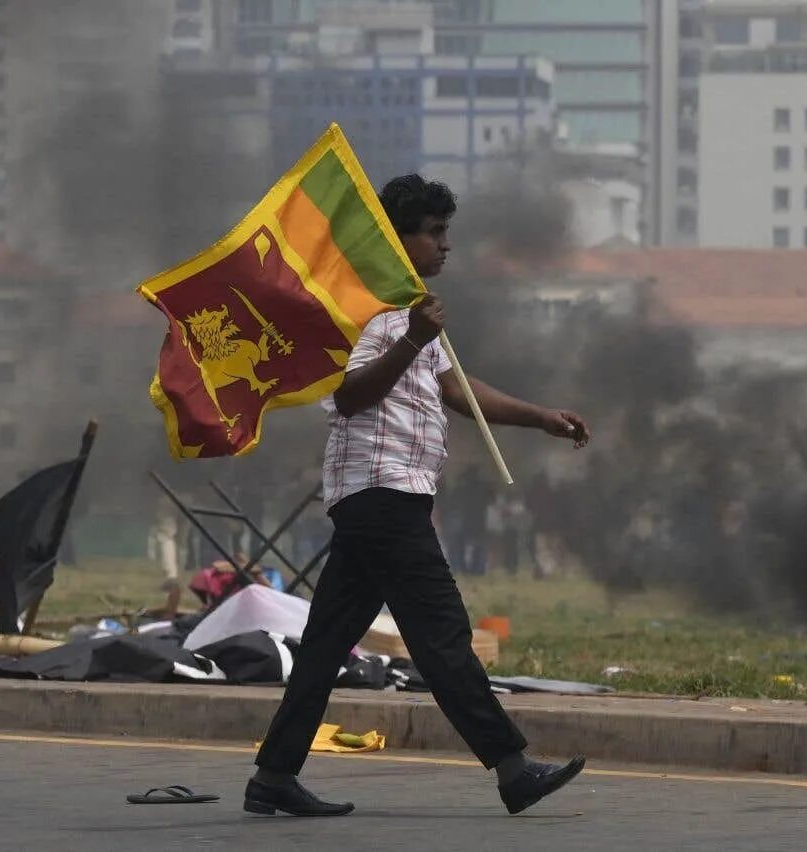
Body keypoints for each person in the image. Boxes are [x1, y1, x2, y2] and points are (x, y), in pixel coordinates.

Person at [247, 174, 591, 818]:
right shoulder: (368, 309)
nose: (444, 246)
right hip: (382, 497)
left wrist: (540, 416)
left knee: (325, 645)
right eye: (433, 233)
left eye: (445, 233)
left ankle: (272, 776)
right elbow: (348, 396)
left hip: (380, 499)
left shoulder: (410, 307)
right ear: (396, 239)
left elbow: (457, 390)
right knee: (440, 635)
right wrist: (410, 338)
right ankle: (513, 768)